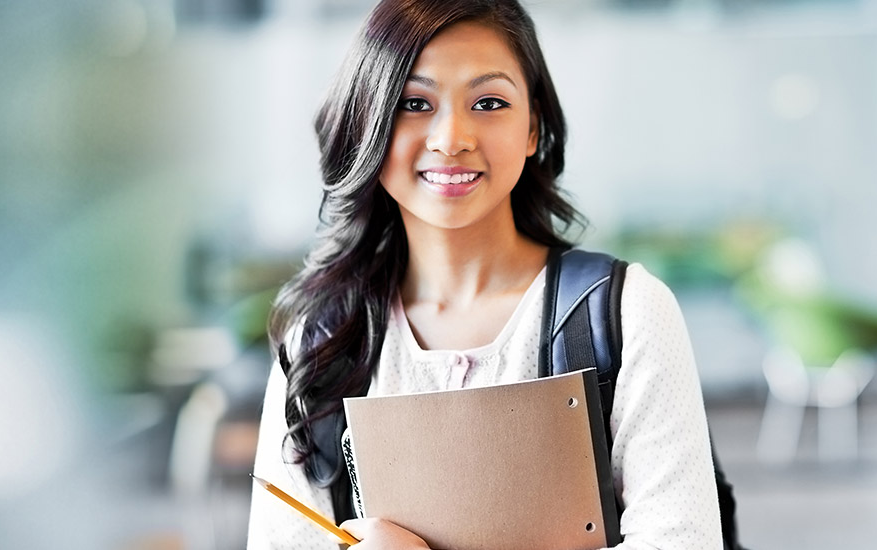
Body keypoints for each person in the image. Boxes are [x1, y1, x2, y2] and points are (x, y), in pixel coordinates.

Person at [243, 1, 723, 549]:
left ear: (532, 128)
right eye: (414, 103)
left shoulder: (625, 312)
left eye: (489, 102)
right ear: (367, 122)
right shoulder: (322, 340)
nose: (453, 138)